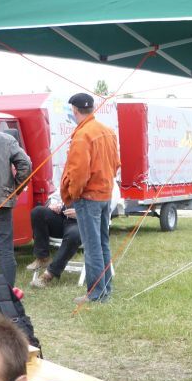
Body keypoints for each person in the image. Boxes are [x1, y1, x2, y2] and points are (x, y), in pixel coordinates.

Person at [60, 93, 119, 303]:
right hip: (105, 195)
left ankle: (96, 293)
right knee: (102, 243)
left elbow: (78, 172)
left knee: (92, 246)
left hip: (88, 197)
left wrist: (74, 194)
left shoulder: (82, 135)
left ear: (75, 110)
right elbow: (116, 164)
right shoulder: (107, 131)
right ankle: (105, 289)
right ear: (91, 108)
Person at [0, 99, 32, 287]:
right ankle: (8, 292)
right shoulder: (6, 139)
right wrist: (16, 190)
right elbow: (26, 165)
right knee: (5, 250)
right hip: (1, 201)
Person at [28, 199, 82, 288]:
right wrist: (53, 204)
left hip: (81, 222)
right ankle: (43, 258)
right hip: (62, 217)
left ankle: (48, 275)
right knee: (38, 212)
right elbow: (54, 196)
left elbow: (102, 210)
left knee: (73, 235)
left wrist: (80, 213)